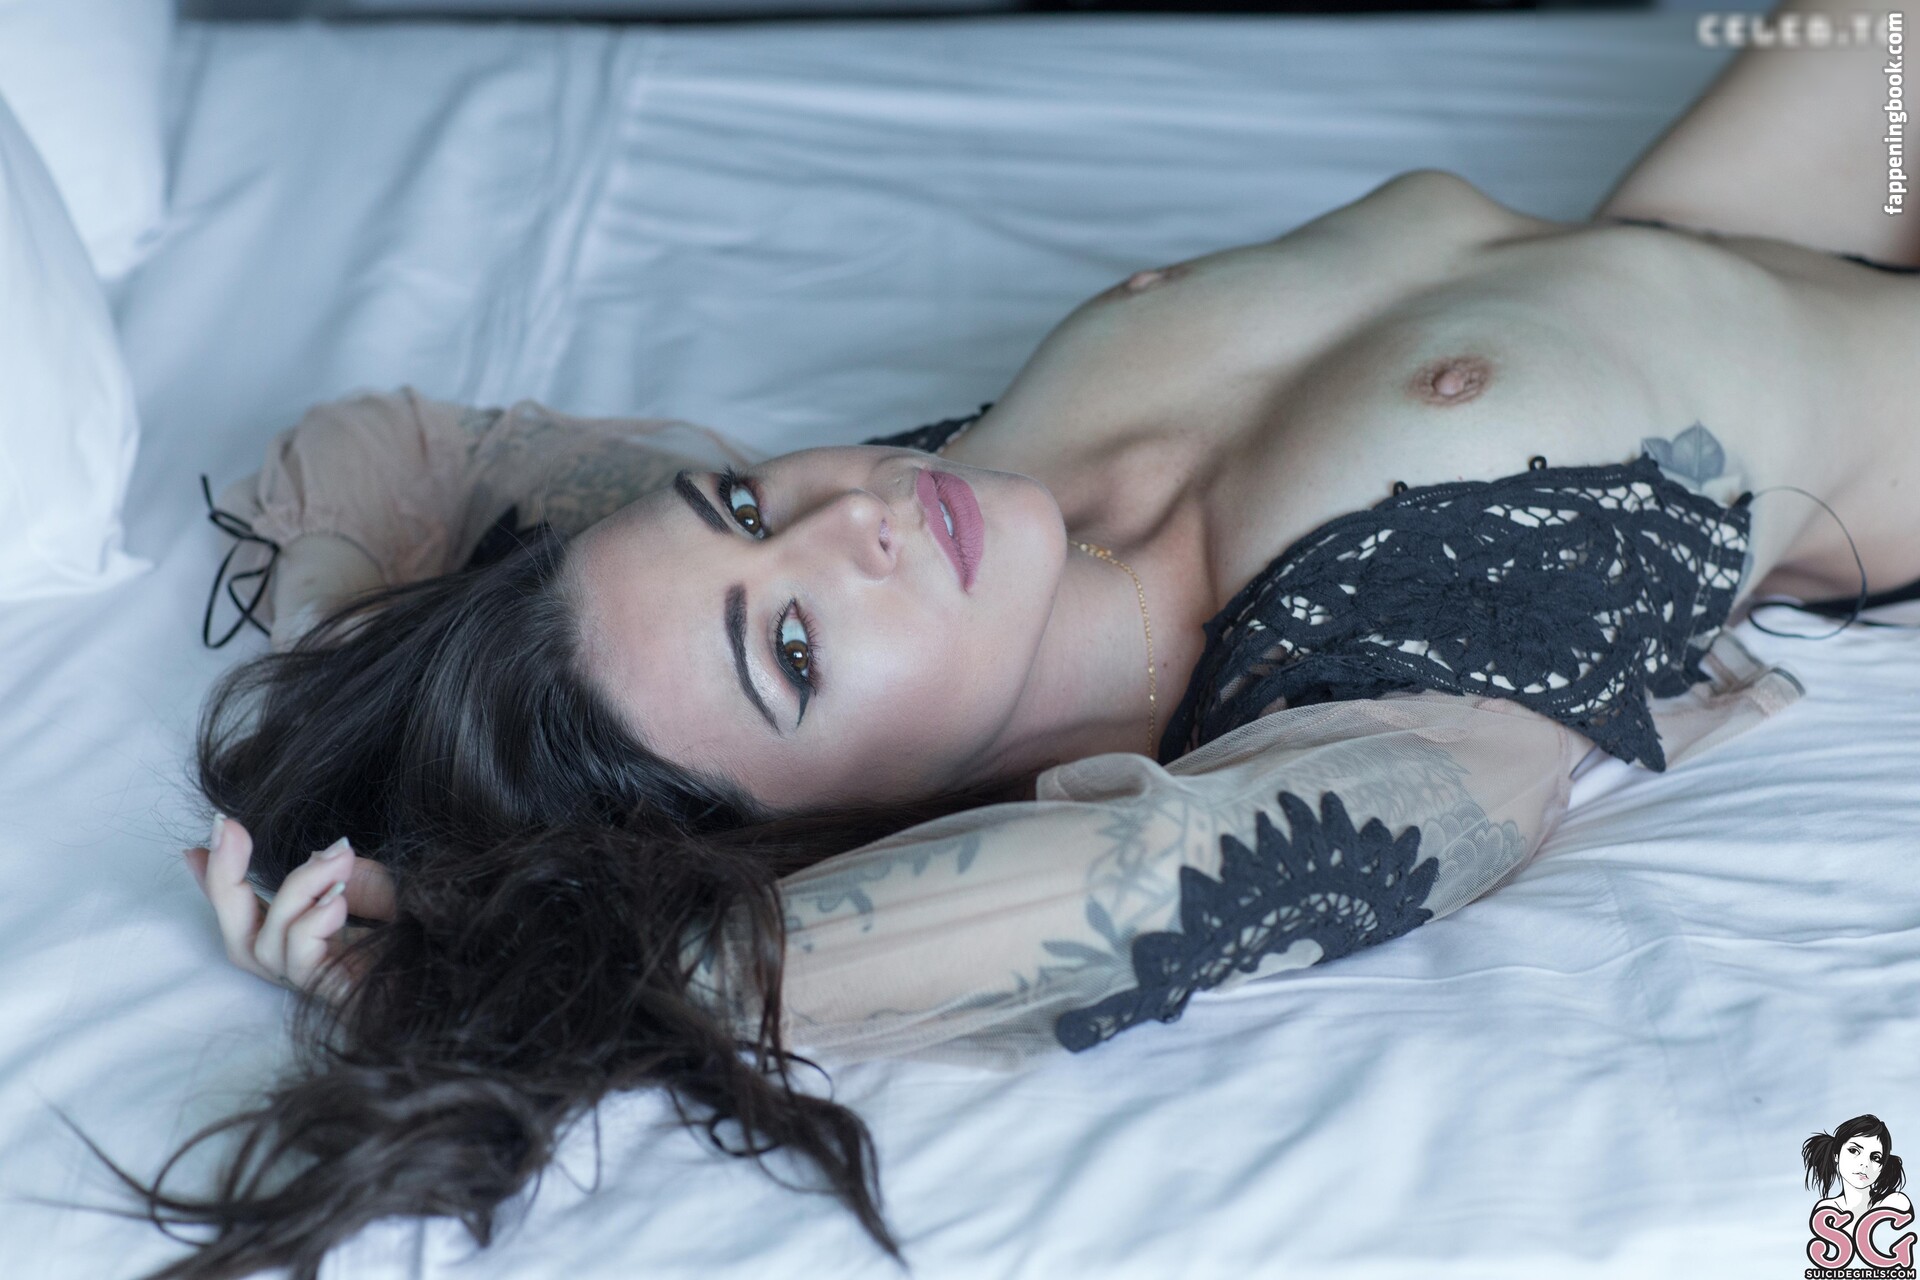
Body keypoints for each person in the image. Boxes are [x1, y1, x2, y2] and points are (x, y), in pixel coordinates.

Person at [141, 0, 1912, 1275]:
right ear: (842, 817)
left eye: (742, 506)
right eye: (797, 653)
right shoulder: (1380, 697)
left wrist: (343, 641)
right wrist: (535, 967)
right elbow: (1136, 892)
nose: (843, 522)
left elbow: (393, 451)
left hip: (1748, 201)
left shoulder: (938, 508)